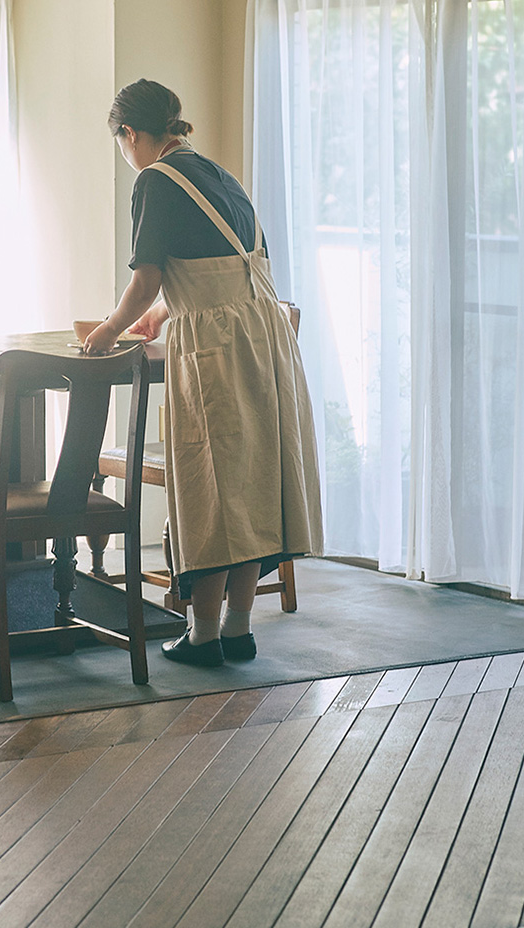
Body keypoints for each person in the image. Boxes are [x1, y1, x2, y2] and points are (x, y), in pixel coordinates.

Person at [84, 79, 322, 667]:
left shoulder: (154, 181)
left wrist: (111, 329)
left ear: (131, 134)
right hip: (263, 338)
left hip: (215, 346)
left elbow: (146, 279)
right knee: (252, 482)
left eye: (121, 142)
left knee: (211, 485)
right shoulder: (220, 176)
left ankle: (202, 635)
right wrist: (164, 314)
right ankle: (238, 629)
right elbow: (227, 269)